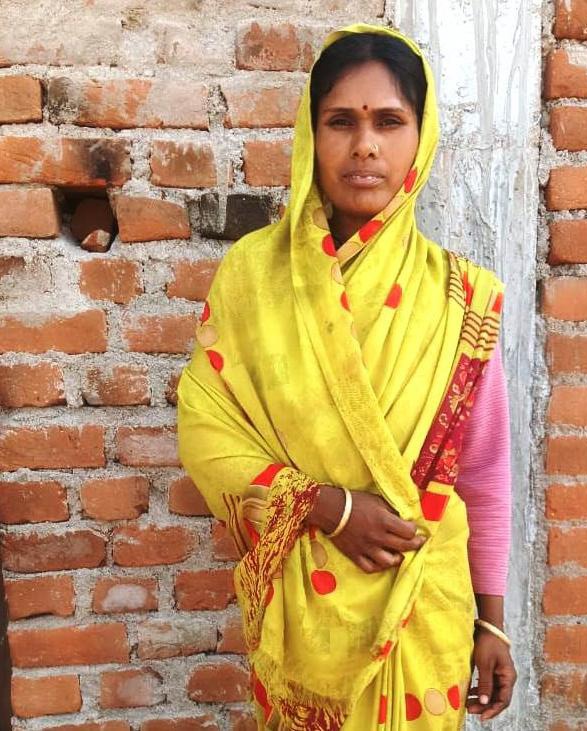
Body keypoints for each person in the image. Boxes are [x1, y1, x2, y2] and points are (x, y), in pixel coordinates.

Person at [176, 22, 516, 730]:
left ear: (420, 138)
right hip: (306, 613)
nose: (365, 145)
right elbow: (207, 432)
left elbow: (483, 473)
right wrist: (328, 508)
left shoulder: (460, 297)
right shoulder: (254, 277)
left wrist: (493, 622)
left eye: (389, 122)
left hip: (427, 610)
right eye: (341, 122)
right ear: (311, 135)